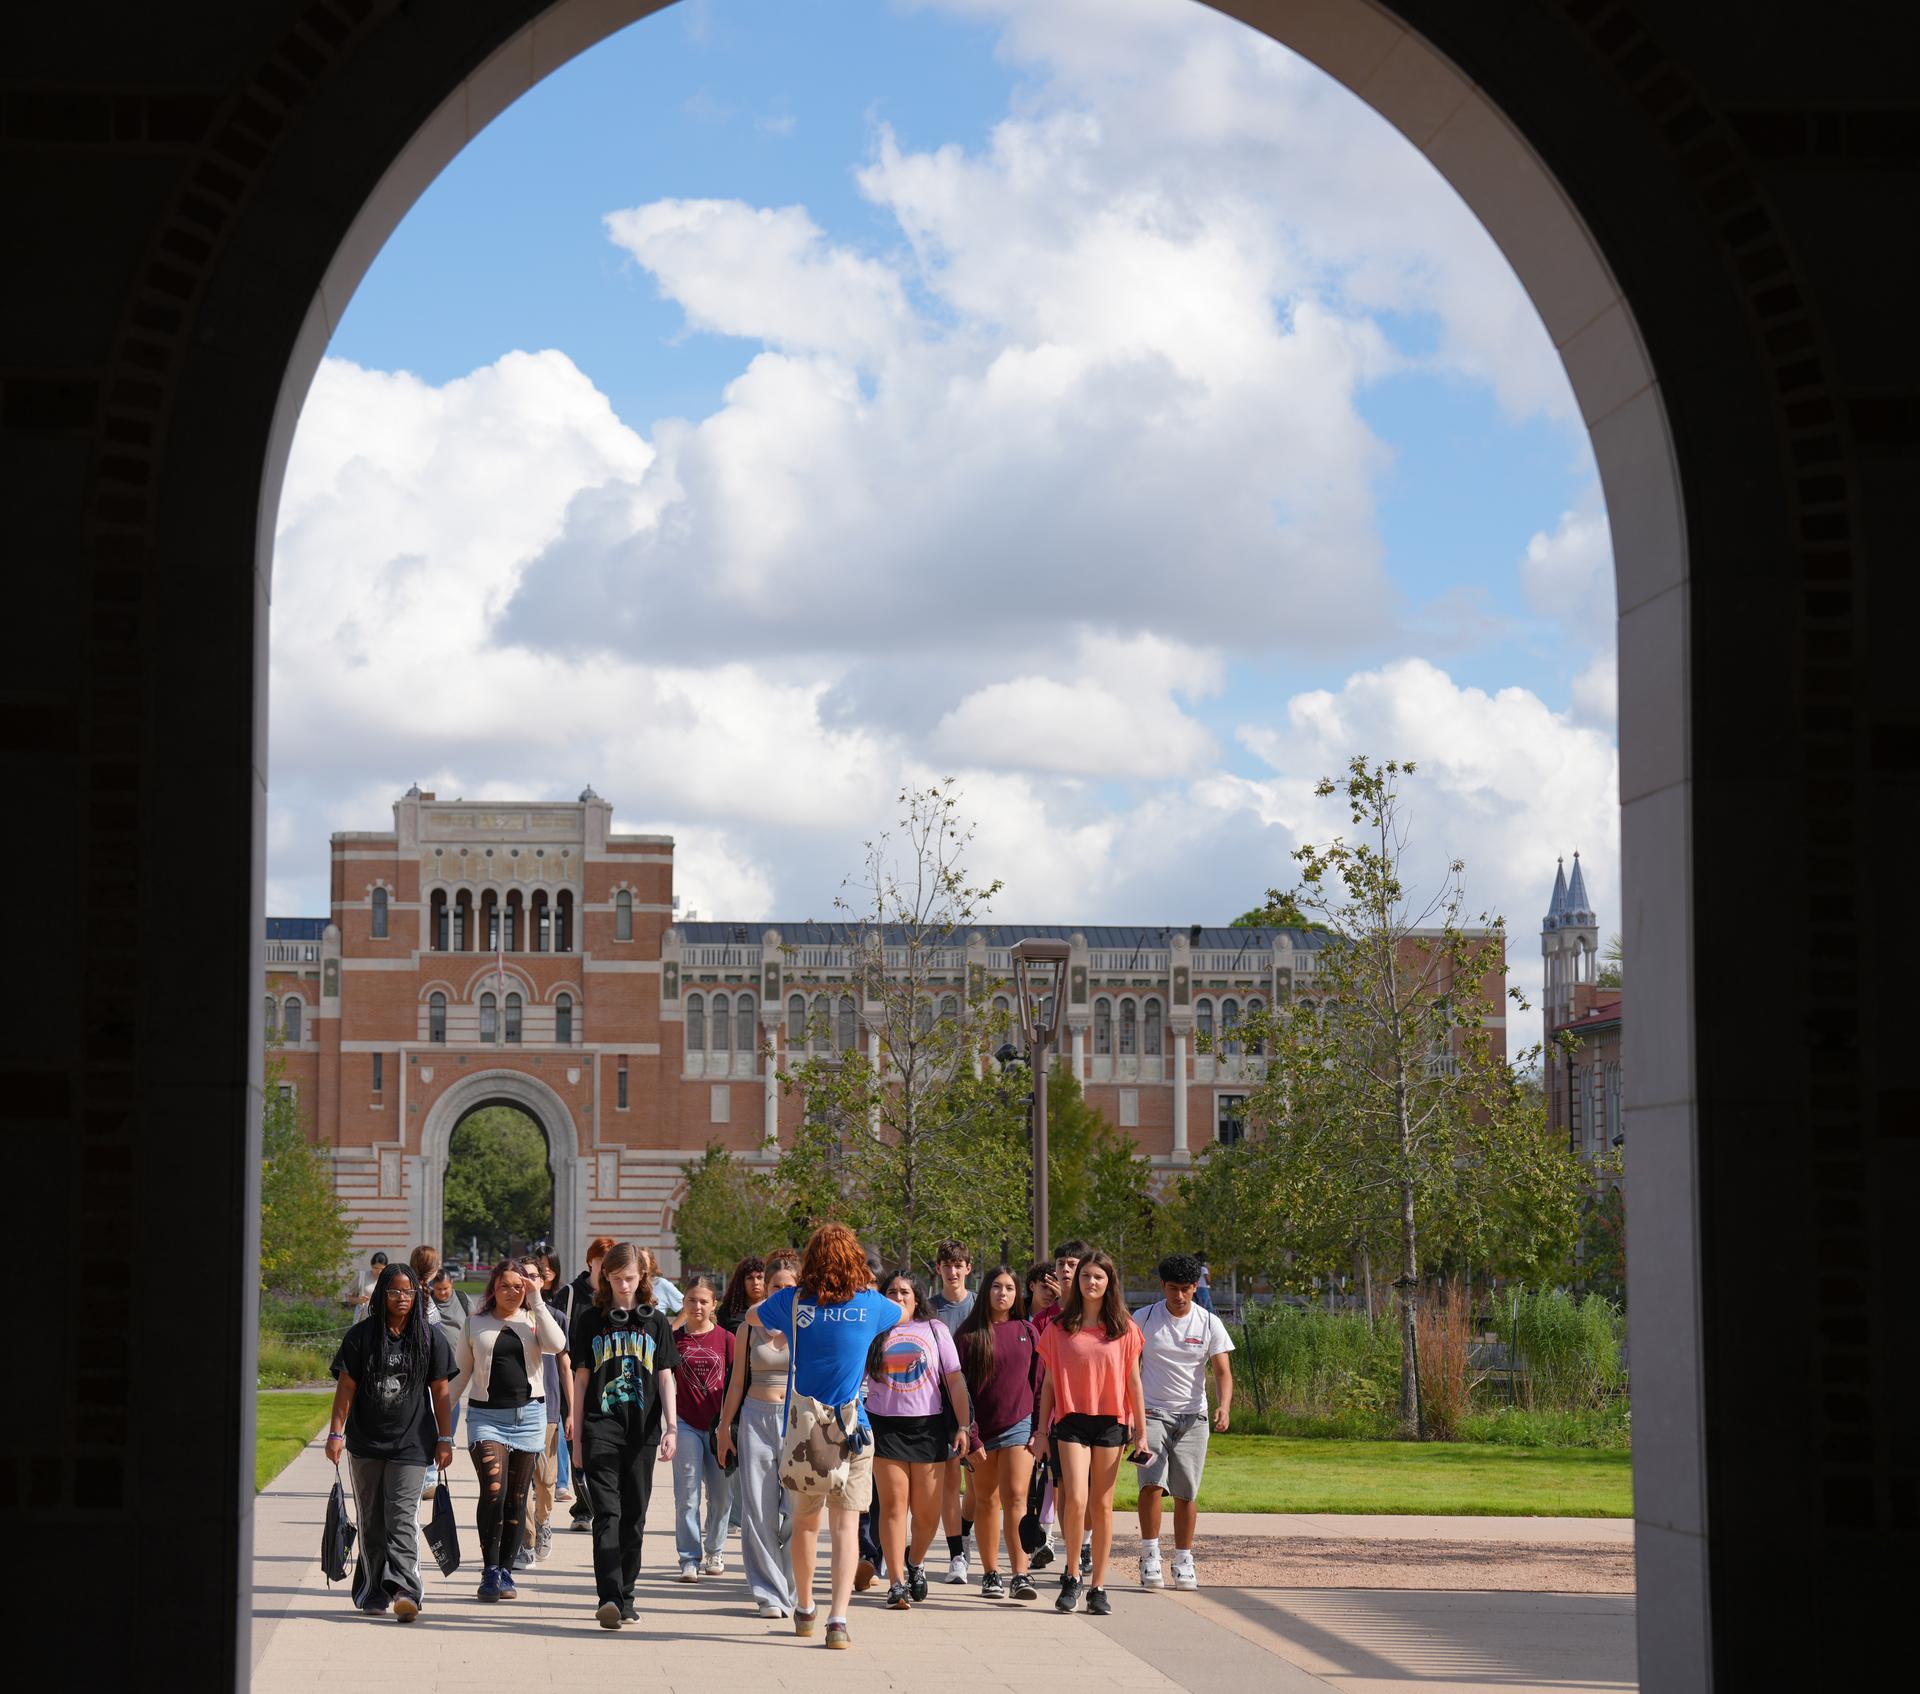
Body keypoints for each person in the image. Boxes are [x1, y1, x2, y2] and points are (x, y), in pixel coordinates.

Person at [752, 1223, 902, 1650]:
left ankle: (804, 1606)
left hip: (803, 1432)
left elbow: (750, 1315)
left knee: (803, 1523)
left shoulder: (791, 1300)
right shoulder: (872, 1305)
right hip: (855, 1429)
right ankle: (838, 1619)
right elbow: (902, 1312)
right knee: (845, 1527)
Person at [323, 1261, 455, 1621]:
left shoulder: (429, 1338)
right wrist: (335, 1433)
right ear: (382, 1294)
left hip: (412, 1443)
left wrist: (446, 1438)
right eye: (394, 1290)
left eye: (408, 1291)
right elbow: (346, 1387)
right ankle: (373, 1591)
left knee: (401, 1516)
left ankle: (404, 1589)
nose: (402, 1298)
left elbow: (441, 1391)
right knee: (371, 1519)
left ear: (417, 1295)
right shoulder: (361, 1337)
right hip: (365, 1443)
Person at [569, 1241, 681, 1630]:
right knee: (607, 1513)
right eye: (616, 1279)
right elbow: (580, 1381)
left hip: (643, 1431)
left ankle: (628, 1594)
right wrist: (577, 1436)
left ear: (642, 1278)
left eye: (630, 1278)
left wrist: (672, 1426)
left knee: (634, 1516)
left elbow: (665, 1376)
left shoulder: (657, 1323)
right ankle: (610, 1598)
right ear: (605, 1278)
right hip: (601, 1426)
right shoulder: (589, 1320)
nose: (623, 1286)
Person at [1034, 1248, 1147, 1617]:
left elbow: (1134, 1383)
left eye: (1099, 1277)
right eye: (1086, 1276)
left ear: (1109, 1282)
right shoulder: (1059, 1328)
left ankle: (1098, 1586)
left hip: (1112, 1422)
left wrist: (1141, 1432)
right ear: (1077, 1281)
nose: (1091, 1282)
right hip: (1070, 1422)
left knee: (1102, 1505)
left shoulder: (1125, 1329)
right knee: (1076, 1501)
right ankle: (1071, 1577)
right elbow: (1049, 1383)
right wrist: (1040, 1431)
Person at [447, 1257, 569, 1601]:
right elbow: (459, 1379)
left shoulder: (535, 1320)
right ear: (493, 1288)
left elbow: (557, 1345)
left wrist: (537, 1300)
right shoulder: (476, 1324)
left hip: (529, 1417)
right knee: (494, 1491)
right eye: (505, 1286)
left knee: (517, 1498)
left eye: (519, 1286)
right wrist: (437, 1423)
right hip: (487, 1419)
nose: (512, 1292)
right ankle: (489, 1570)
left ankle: (505, 1570)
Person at [865, 1271, 971, 1610]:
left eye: (904, 1291)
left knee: (927, 1514)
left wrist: (965, 1426)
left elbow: (954, 1381)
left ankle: (915, 1560)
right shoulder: (873, 1332)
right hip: (885, 1427)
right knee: (894, 1507)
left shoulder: (935, 1330)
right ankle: (896, 1582)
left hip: (929, 1428)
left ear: (917, 1297)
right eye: (891, 1292)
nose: (897, 1296)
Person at [1133, 1253, 1234, 1592]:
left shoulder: (1208, 1323)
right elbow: (1129, 1369)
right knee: (1151, 1485)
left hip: (1193, 1417)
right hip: (1151, 1414)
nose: (1178, 1297)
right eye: (1172, 1289)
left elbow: (1222, 1371)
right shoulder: (1144, 1319)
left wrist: (1224, 1407)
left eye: (1186, 1289)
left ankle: (1183, 1559)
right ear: (1162, 1286)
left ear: (1196, 1288)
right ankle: (1149, 1554)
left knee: (1186, 1492)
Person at [715, 1247, 800, 1619]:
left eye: (788, 1285)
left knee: (799, 1510)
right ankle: (769, 1593)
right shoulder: (749, 1326)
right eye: (775, 1285)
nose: (781, 1291)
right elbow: (735, 1384)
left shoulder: (809, 1323)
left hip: (799, 1420)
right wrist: (723, 1427)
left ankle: (793, 1585)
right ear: (765, 1288)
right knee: (758, 1509)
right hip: (755, 1418)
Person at [954, 1264, 1043, 1600]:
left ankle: (1020, 1574)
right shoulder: (967, 1335)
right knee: (986, 1500)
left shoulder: (1028, 1331)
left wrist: (1038, 1430)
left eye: (1009, 1287)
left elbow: (1038, 1386)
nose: (1002, 1293)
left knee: (1017, 1497)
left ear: (1017, 1293)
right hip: (980, 1431)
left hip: (1020, 1426)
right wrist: (970, 1435)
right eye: (996, 1287)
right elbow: (959, 1391)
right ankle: (991, 1574)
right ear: (985, 1290)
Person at [669, 1273, 731, 1580]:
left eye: (703, 1301)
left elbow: (736, 1382)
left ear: (713, 1304)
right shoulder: (675, 1339)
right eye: (691, 1300)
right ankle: (689, 1557)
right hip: (685, 1423)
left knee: (720, 1496)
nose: (697, 1306)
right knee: (687, 1495)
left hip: (718, 1426)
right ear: (683, 1302)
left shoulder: (726, 1339)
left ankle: (715, 1550)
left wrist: (731, 1425)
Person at [516, 1255, 570, 1567]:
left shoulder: (557, 1318)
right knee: (520, 1480)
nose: (527, 1281)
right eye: (521, 1275)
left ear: (543, 1280)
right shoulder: (507, 1318)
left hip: (548, 1406)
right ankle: (526, 1539)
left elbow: (566, 1367)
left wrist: (571, 1412)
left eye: (533, 1276)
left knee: (546, 1480)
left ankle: (543, 1520)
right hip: (517, 1408)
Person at [927, 1239, 976, 1581]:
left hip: (980, 1402)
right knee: (949, 1481)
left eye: (959, 1265)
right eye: (947, 1264)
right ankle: (956, 1552)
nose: (953, 1270)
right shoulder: (928, 1310)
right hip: (942, 1405)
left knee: (979, 1486)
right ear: (938, 1269)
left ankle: (966, 1530)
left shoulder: (980, 1306)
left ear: (968, 1268)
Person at [565, 1236, 617, 1531]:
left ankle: (603, 1502)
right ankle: (584, 1506)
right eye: (601, 1261)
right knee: (578, 1440)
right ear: (591, 1262)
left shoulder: (619, 1298)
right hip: (575, 1376)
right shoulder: (572, 1294)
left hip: (608, 1380)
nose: (606, 1267)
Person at [538, 1254, 574, 1501]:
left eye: (550, 1266)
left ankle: (560, 1481)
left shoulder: (561, 1301)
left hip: (555, 1374)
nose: (546, 1271)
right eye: (541, 1268)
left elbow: (564, 1356)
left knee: (558, 1428)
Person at [349, 1250, 390, 1321]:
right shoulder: (362, 1276)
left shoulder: (388, 1279)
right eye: (376, 1268)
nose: (379, 1271)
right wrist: (358, 1300)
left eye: (382, 1269)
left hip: (382, 1319)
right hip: (363, 1319)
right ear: (371, 1265)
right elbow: (349, 1297)